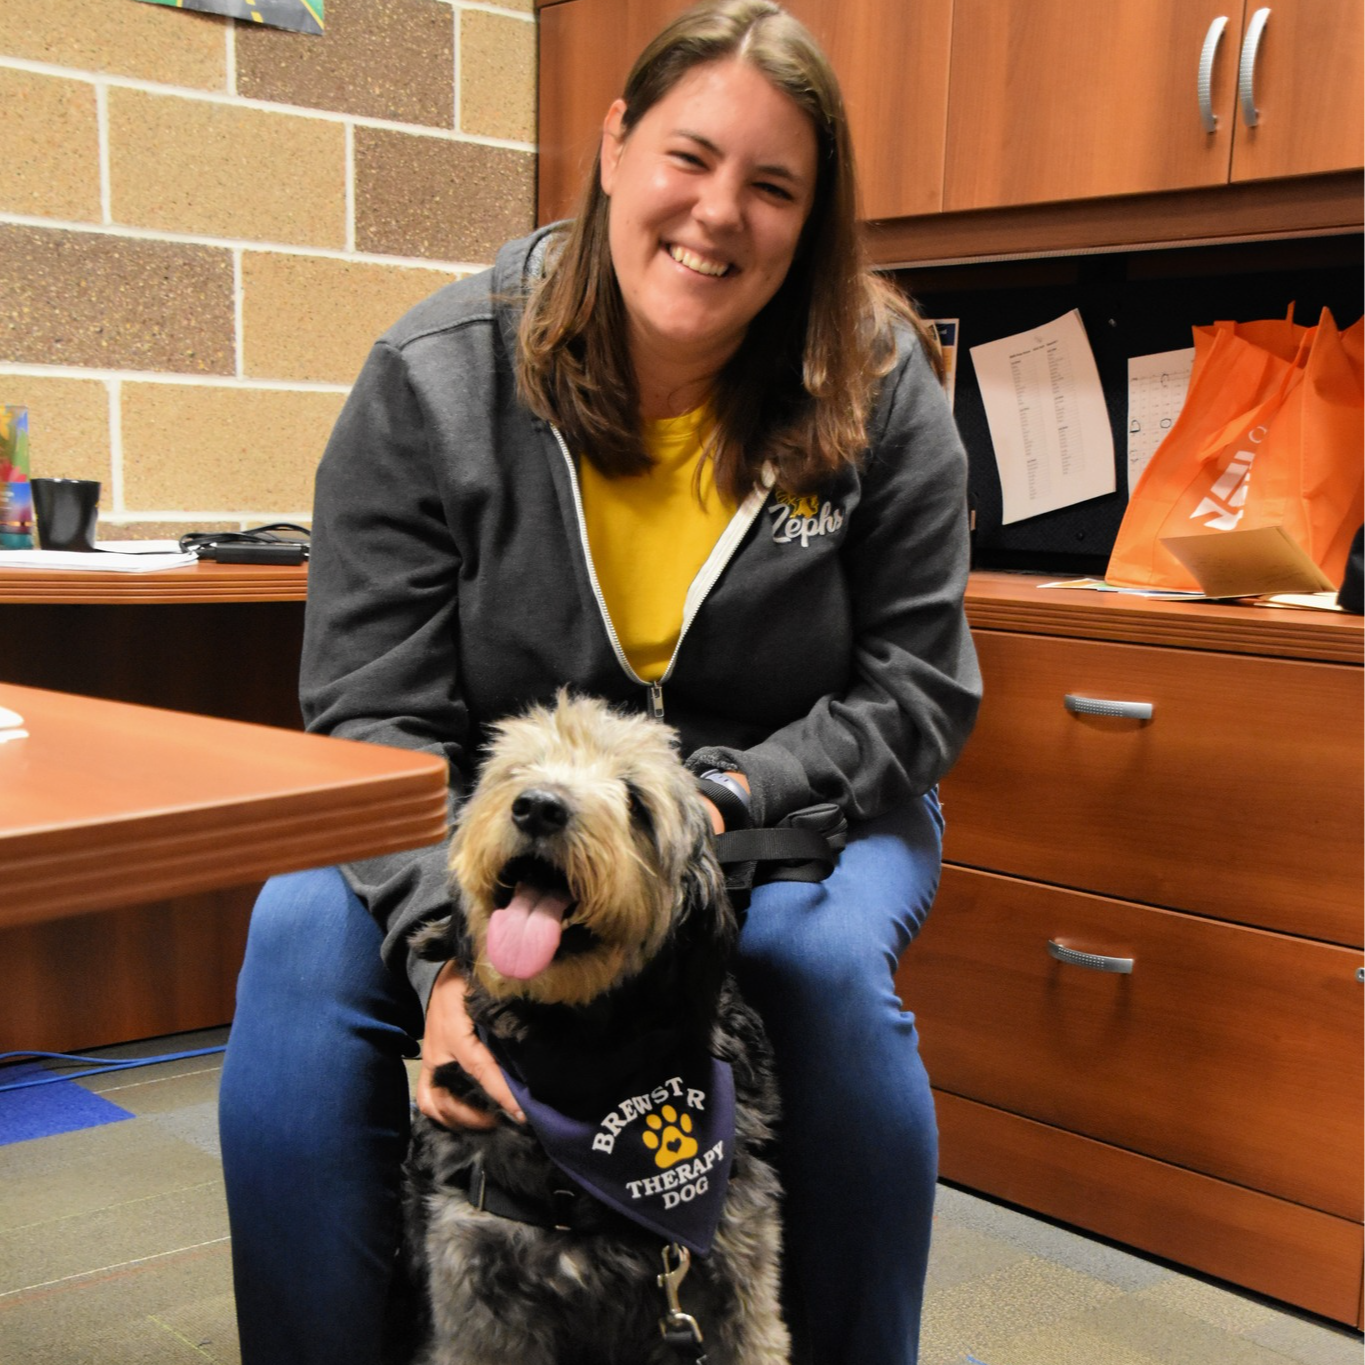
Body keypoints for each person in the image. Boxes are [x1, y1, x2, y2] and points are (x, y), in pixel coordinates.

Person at [217, 2, 982, 1362]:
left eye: (772, 186)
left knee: (816, 971)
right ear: (617, 144)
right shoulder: (433, 380)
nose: (717, 214)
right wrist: (447, 958)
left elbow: (918, 688)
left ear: (813, 220)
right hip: (503, 824)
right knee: (294, 935)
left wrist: (739, 792)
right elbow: (369, 712)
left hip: (799, 816)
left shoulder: (879, 388)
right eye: (690, 156)